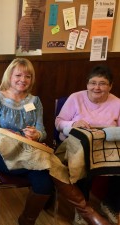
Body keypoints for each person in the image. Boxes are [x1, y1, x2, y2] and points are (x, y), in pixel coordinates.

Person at [0, 58, 53, 225]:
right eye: (18, 75)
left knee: (44, 183)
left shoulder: (35, 101)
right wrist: (10, 135)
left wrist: (37, 135)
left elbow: (43, 132)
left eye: (28, 76)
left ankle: (26, 221)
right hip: (1, 153)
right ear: (9, 77)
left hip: (29, 153)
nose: (23, 79)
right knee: (46, 168)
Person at [55, 64, 119, 225]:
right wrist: (73, 124)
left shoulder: (117, 103)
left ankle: (110, 204)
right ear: (87, 84)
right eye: (93, 82)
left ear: (110, 86)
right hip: (75, 145)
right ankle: (83, 208)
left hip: (107, 146)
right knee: (84, 162)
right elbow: (58, 122)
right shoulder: (75, 98)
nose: (97, 87)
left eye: (103, 83)